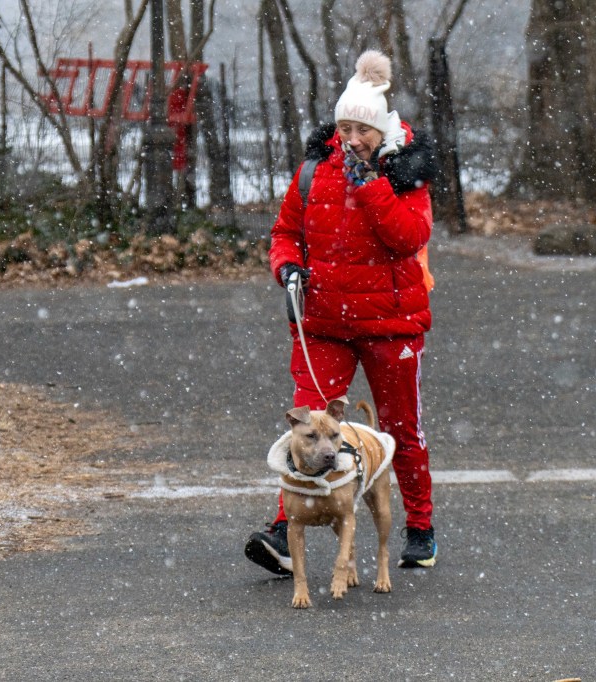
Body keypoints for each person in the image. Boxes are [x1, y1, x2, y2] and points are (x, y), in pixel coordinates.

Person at [244, 50, 439, 574]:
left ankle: (420, 526)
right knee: (309, 427)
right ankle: (286, 530)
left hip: (390, 326)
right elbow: (285, 233)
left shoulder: (404, 172)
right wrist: (286, 269)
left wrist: (371, 185)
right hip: (322, 324)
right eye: (345, 126)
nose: (351, 138)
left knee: (400, 428)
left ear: (380, 131)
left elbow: (408, 237)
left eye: (362, 130)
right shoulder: (314, 170)